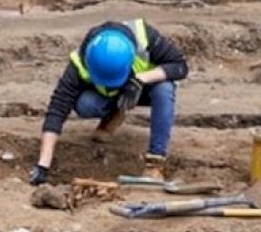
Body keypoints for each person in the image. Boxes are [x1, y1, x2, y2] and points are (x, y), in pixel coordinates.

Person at [29, 18, 188, 185]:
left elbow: (180, 66)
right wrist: (43, 165)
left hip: (143, 89)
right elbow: (57, 108)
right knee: (85, 104)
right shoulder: (80, 60)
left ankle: (155, 162)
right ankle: (113, 114)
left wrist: (140, 79)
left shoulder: (145, 37)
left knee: (164, 89)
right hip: (109, 97)